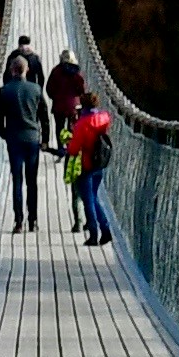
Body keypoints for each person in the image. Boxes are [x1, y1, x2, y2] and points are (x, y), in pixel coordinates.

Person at [0, 47, 54, 233]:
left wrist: (5, 134)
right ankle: (33, 221)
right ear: (27, 70)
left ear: (11, 71)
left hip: (14, 140)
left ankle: (18, 222)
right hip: (32, 139)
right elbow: (44, 116)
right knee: (31, 181)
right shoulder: (35, 89)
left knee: (17, 181)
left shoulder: (4, 91)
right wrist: (45, 139)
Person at [59, 68, 116, 248]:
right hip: (100, 164)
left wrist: (67, 143)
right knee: (95, 197)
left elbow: (74, 148)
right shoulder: (103, 118)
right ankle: (105, 231)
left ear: (82, 106)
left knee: (88, 200)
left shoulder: (82, 124)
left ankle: (93, 234)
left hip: (86, 165)